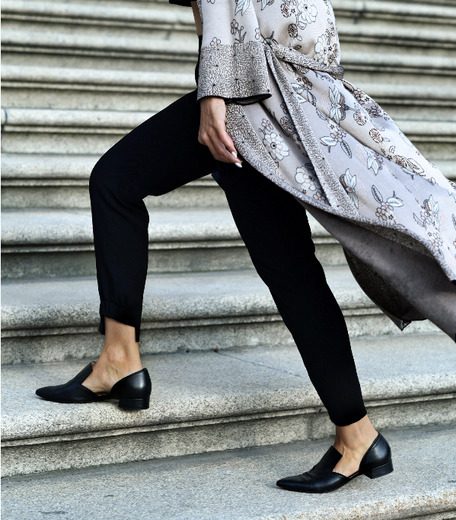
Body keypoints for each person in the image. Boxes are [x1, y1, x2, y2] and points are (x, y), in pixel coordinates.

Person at [34, 0, 395, 494]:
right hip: (272, 86)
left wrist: (213, 96)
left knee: (117, 183)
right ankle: (357, 434)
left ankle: (120, 359)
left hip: (245, 94)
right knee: (289, 268)